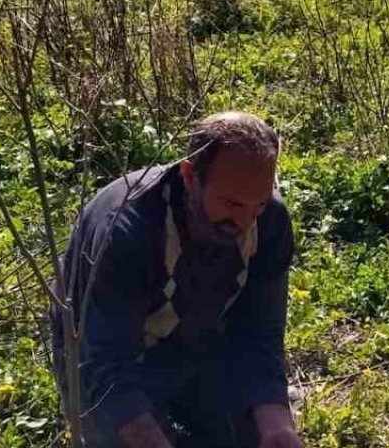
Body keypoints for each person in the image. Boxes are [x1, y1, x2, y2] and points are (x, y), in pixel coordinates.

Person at [50, 112, 301, 448]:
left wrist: (277, 428)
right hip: (101, 349)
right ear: (188, 175)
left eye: (256, 205)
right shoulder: (128, 231)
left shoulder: (269, 222)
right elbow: (105, 365)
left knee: (251, 434)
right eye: (230, 203)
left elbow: (259, 336)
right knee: (117, 433)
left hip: (195, 337)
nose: (243, 220)